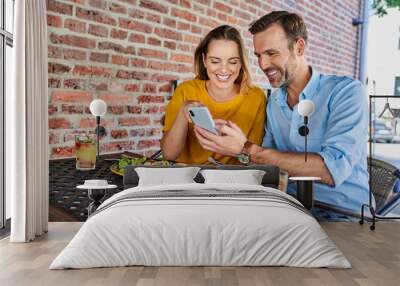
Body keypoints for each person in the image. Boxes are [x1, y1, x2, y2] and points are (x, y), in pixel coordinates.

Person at [193, 11, 369, 215]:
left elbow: (329, 170)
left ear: (299, 47)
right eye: (259, 56)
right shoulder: (274, 103)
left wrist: (246, 148)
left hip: (346, 216)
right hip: (291, 209)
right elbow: (268, 167)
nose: (263, 65)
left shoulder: (346, 92)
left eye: (271, 53)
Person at [161, 25, 266, 165]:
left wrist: (239, 149)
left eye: (233, 61)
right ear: (204, 60)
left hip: (231, 181)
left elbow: (254, 160)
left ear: (241, 62)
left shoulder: (256, 97)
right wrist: (182, 113)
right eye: (215, 61)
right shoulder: (185, 90)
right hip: (187, 178)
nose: (223, 69)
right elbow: (169, 154)